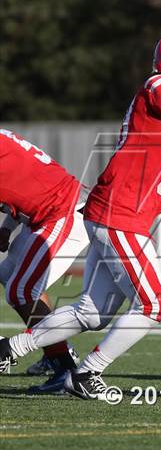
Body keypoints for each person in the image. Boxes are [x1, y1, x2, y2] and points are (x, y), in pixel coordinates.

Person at [0, 29, 161, 400]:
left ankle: (9, 350)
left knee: (92, 312)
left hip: (118, 212)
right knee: (155, 303)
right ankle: (87, 374)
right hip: (121, 212)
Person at [0, 129, 89, 393]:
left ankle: (65, 368)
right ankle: (57, 350)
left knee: (22, 290)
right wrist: (6, 228)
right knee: (10, 276)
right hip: (45, 213)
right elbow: (24, 187)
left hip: (63, 212)